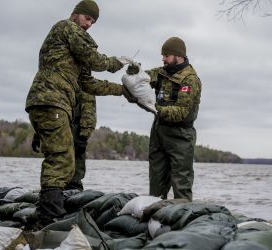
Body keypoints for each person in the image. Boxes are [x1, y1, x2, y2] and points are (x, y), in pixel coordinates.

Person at [25, 0, 133, 227]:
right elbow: (94, 58)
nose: (89, 25)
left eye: (93, 22)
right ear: (77, 14)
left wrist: (122, 90)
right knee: (61, 160)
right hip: (51, 101)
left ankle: (49, 213)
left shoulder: (73, 52)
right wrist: (114, 63)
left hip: (51, 104)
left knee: (64, 161)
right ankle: (48, 220)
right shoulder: (66, 27)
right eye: (88, 18)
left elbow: (88, 83)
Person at [128, 37, 202, 201]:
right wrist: (134, 71)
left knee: (181, 183)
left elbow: (181, 112)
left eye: (166, 55)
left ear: (178, 56)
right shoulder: (161, 72)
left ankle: (182, 219)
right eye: (163, 55)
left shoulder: (190, 80)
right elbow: (143, 78)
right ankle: (153, 217)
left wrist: (155, 108)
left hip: (180, 136)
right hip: (159, 132)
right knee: (156, 182)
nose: (163, 59)